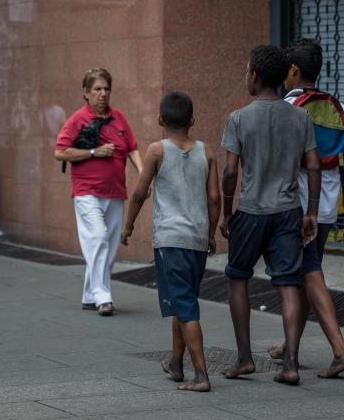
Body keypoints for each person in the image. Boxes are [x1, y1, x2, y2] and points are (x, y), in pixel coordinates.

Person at [220, 44, 321, 385]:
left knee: (237, 277)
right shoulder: (301, 116)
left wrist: (226, 209)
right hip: (288, 211)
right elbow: (313, 167)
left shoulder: (238, 118)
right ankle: (291, 364)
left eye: (247, 70)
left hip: (251, 210)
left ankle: (245, 358)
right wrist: (312, 212)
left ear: (255, 76)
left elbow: (231, 171)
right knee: (289, 283)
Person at [266, 38, 344, 378]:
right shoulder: (340, 109)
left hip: (297, 209)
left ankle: (340, 350)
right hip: (327, 210)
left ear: (291, 71)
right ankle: (288, 346)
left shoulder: (285, 109)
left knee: (309, 273)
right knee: (310, 270)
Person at [121, 91, 220, 392]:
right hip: (196, 240)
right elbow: (214, 198)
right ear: (192, 120)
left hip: (171, 240)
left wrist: (128, 225)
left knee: (185, 305)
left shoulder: (156, 150)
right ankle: (176, 362)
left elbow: (139, 193)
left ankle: (201, 375)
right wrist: (211, 233)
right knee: (183, 298)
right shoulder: (207, 151)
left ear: (160, 119)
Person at [54, 68, 142, 317]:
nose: (103, 94)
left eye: (106, 89)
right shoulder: (77, 120)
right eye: (97, 89)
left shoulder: (120, 119)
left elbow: (133, 149)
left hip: (115, 191)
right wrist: (94, 152)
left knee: (109, 247)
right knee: (98, 238)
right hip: (86, 191)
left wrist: (144, 176)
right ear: (86, 92)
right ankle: (104, 297)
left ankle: (89, 296)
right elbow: (60, 152)